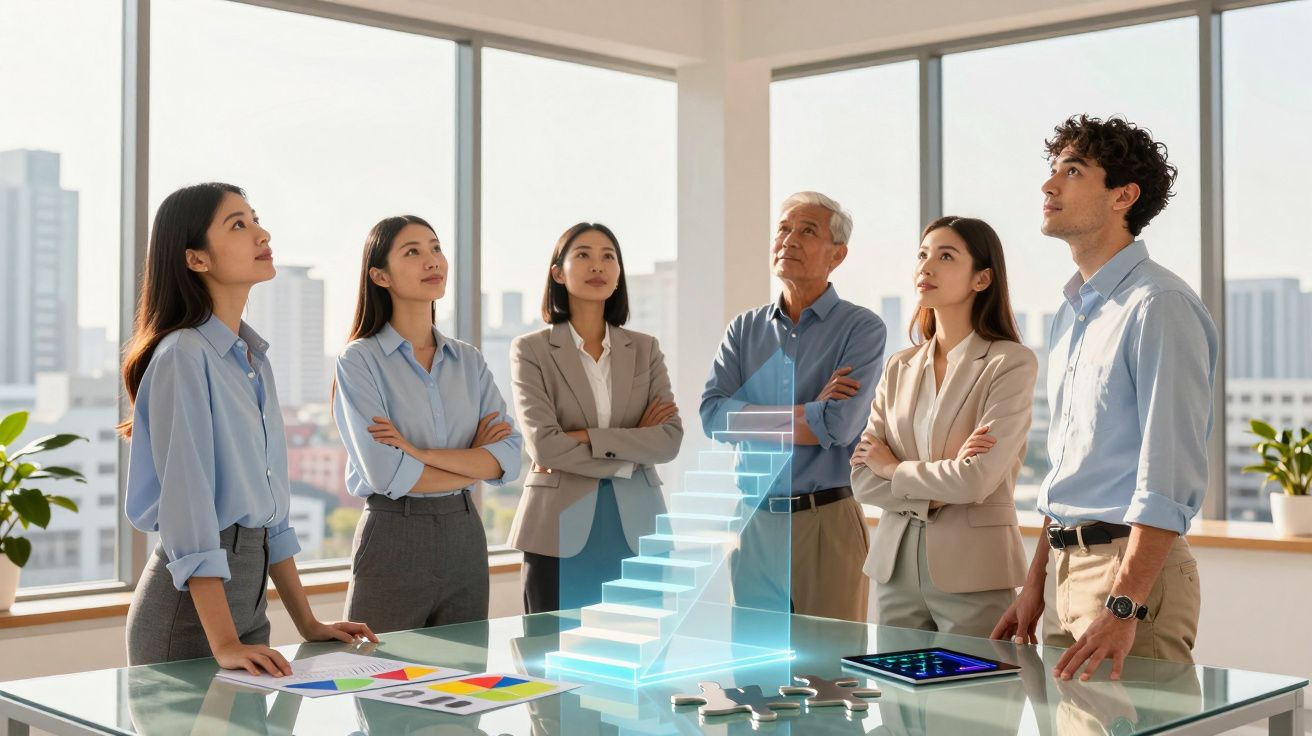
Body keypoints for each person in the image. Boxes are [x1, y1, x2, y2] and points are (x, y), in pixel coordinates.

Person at [991, 115, 1218, 680]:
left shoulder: (1158, 305)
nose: (1049, 185)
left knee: (1140, 719)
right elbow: (1068, 473)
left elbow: (1168, 475)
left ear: (1123, 196)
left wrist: (1124, 604)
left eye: (1073, 171)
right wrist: (1036, 583)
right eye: (1053, 170)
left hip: (1127, 577)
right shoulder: (1073, 314)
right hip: (1063, 572)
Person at [122, 182, 375, 671]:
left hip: (247, 610)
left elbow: (271, 520)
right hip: (190, 619)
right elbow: (189, 515)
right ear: (196, 259)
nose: (262, 233)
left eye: (255, 219)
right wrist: (224, 643)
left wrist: (307, 623)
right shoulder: (182, 357)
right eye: (238, 224)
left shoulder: (253, 360)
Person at [700, 191, 885, 622]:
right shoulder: (744, 329)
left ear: (837, 254)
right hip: (753, 522)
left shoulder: (862, 328)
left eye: (807, 231)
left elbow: (838, 426)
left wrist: (751, 416)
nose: (789, 240)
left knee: (830, 659)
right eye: (783, 228)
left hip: (826, 520)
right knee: (753, 660)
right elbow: (712, 416)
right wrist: (808, 412)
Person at [333, 215, 522, 633]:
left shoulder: (468, 360)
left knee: (463, 671)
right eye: (413, 252)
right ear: (380, 276)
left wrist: (417, 453)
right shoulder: (359, 360)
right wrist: (473, 461)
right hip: (392, 534)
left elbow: (509, 459)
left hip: (465, 533)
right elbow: (386, 473)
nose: (432, 260)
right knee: (379, 669)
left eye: (436, 248)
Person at [851, 216, 1036, 637]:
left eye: (946, 256)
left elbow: (975, 480)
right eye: (922, 255)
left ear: (982, 278)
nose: (926, 267)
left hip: (974, 570)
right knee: (893, 681)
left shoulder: (1009, 363)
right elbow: (862, 478)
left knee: (976, 682)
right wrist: (940, 486)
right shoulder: (899, 365)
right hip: (894, 569)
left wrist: (893, 469)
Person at [508, 222, 683, 613]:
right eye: (583, 255)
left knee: (637, 647)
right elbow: (545, 446)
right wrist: (632, 450)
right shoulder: (531, 350)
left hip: (639, 530)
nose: (597, 265)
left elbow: (669, 439)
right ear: (558, 273)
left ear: (619, 273)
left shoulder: (645, 349)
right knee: (551, 648)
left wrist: (587, 436)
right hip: (555, 531)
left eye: (608, 257)